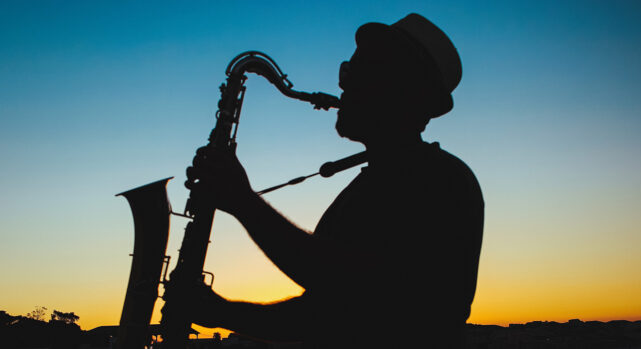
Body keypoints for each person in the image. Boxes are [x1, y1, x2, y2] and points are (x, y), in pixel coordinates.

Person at [174, 13, 484, 348]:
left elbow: (348, 285)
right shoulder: (380, 183)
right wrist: (221, 313)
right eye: (346, 72)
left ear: (399, 92)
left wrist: (242, 202)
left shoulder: (439, 182)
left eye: (358, 74)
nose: (342, 85)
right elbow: (326, 315)